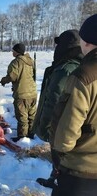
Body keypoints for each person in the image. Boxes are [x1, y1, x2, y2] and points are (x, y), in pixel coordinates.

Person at [50, 14, 97, 196]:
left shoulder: (83, 76)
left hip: (81, 173)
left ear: (85, 43)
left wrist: (57, 153)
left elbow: (65, 135)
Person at [32, 30, 83, 188]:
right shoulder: (76, 65)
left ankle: (60, 185)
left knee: (60, 158)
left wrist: (46, 128)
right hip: (67, 126)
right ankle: (54, 179)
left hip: (60, 127)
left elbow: (52, 100)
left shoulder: (65, 69)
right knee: (61, 159)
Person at [0, 43, 37, 142]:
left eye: (13, 51)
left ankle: (22, 137)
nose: (12, 52)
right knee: (31, 114)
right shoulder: (31, 61)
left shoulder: (16, 62)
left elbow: (12, 76)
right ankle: (31, 133)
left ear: (17, 52)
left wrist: (3, 80)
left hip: (22, 93)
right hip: (32, 93)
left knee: (22, 116)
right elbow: (34, 75)